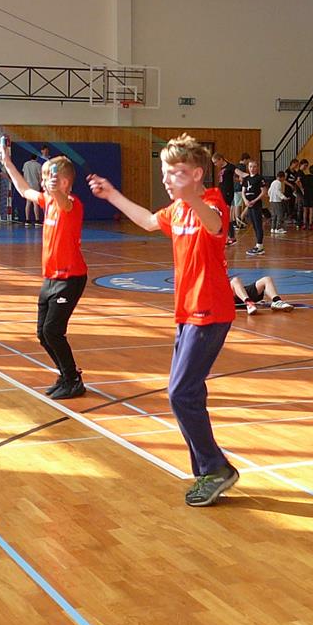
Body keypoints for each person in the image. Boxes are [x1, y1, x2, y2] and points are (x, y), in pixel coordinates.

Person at [87, 134, 240, 507]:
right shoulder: (177, 210)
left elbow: (215, 224)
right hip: (186, 312)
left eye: (176, 173)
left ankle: (215, 469)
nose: (167, 179)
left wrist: (190, 197)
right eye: (165, 173)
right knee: (188, 392)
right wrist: (112, 195)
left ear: (197, 174)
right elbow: (148, 221)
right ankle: (209, 470)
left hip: (210, 312)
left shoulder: (211, 203)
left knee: (180, 393)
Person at [2, 146, 89, 398]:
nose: (42, 182)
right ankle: (66, 374)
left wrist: (56, 190)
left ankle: (73, 380)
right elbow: (23, 190)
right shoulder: (48, 201)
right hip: (50, 278)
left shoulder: (72, 204)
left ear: (64, 181)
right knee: (42, 333)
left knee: (53, 331)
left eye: (47, 177)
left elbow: (65, 203)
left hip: (70, 279)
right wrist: (7, 162)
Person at [230, 274, 295, 316]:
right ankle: (248, 303)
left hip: (240, 291)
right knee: (235, 280)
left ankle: (276, 301)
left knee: (266, 279)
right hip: (229, 296)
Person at [239, 159, 265, 256]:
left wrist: (255, 200)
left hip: (256, 204)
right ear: (248, 167)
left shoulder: (259, 178)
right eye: (250, 166)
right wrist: (245, 201)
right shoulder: (246, 179)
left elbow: (263, 191)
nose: (252, 169)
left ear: (257, 167)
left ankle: (260, 246)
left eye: (254, 167)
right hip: (249, 204)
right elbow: (243, 191)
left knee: (258, 225)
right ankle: (258, 245)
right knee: (253, 224)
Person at [21, 148, 44, 225]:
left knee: (28, 203)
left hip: (27, 185)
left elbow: (24, 174)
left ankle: (27, 220)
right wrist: (41, 184)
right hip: (35, 185)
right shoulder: (38, 165)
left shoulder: (25, 164)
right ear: (36, 158)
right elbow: (40, 176)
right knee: (35, 203)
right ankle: (37, 220)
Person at [299, 163, 313, 230]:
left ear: (309, 170)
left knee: (305, 210)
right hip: (312, 193)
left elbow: (297, 181)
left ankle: (304, 224)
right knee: (311, 210)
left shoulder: (305, 177)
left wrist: (302, 188)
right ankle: (310, 224)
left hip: (305, 193)